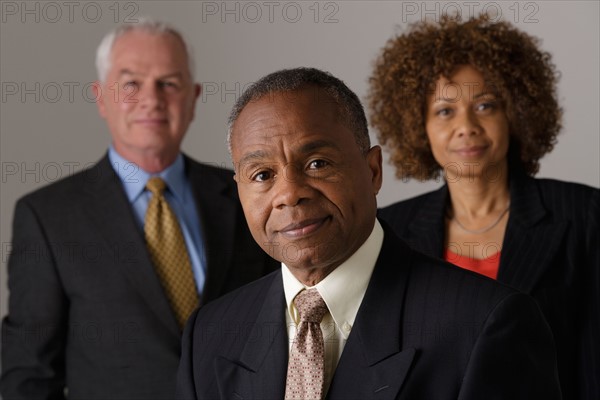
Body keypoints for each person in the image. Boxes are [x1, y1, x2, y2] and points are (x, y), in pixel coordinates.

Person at [176, 67, 561, 399]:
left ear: (373, 170)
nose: (289, 193)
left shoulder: (485, 325)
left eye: (317, 163)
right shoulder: (208, 336)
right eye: (262, 175)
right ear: (240, 189)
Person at [0, 19, 277, 399]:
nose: (152, 99)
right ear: (101, 97)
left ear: (193, 98)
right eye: (131, 84)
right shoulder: (47, 217)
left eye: (169, 83)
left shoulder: (248, 192)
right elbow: (28, 376)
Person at [369, 15, 599, 399]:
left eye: (486, 105)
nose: (467, 126)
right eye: (445, 111)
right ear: (417, 125)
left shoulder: (585, 216)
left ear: (516, 113)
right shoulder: (389, 228)